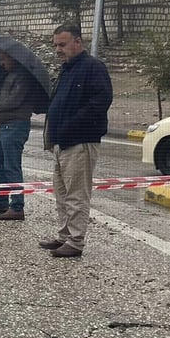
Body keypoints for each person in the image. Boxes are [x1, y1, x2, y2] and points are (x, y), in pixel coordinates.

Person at [39, 24, 113, 258]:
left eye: (62, 44)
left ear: (78, 42)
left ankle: (75, 241)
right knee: (62, 194)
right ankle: (64, 236)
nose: (58, 50)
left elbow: (100, 102)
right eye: (55, 45)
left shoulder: (93, 68)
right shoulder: (66, 70)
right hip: (61, 143)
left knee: (76, 195)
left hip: (79, 142)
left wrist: (70, 125)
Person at [0, 49, 40, 221]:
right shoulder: (10, 75)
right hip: (5, 125)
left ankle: (17, 207)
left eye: (3, 59)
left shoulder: (24, 77)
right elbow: (2, 96)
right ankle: (2, 202)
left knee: (11, 166)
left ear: (13, 58)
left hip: (16, 125)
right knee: (0, 165)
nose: (1, 63)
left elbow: (13, 100)